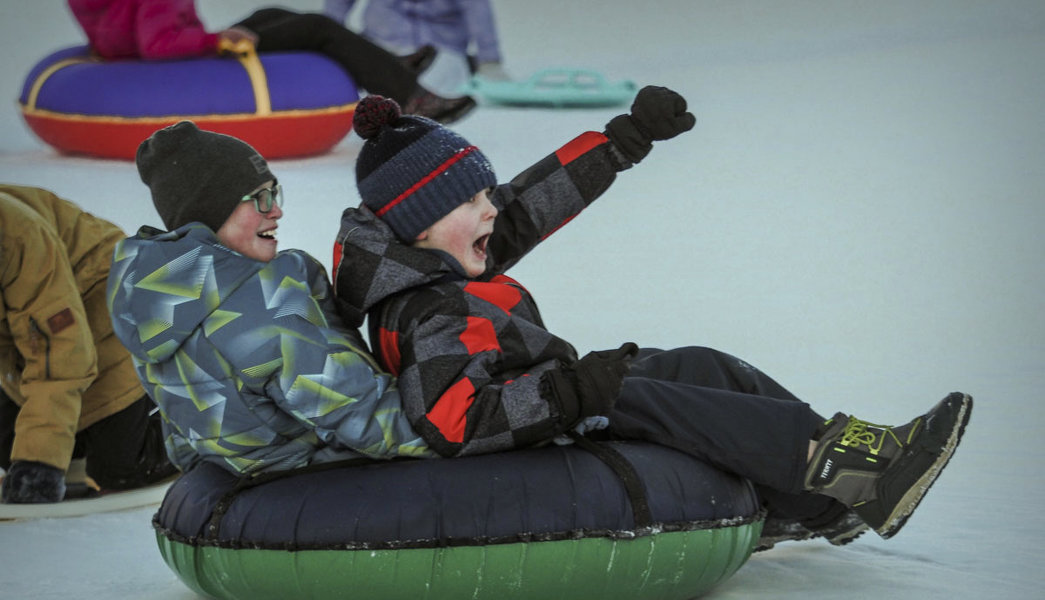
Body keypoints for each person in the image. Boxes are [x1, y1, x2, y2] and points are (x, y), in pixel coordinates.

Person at [331, 91, 973, 549]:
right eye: (473, 200)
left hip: (548, 392)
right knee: (645, 395)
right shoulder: (427, 305)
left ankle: (816, 504)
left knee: (698, 364)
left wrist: (621, 142)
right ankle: (862, 471)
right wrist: (570, 392)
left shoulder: (434, 255)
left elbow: (527, 205)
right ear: (420, 220)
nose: (491, 210)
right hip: (528, 433)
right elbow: (453, 420)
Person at [106, 121, 430, 477]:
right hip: (310, 486)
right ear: (211, 210)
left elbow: (186, 435)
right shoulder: (254, 305)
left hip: (238, 484)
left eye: (275, 194)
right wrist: (470, 430)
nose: (275, 210)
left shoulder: (161, 300)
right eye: (259, 198)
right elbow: (362, 417)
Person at [0, 185, 175, 504]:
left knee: (117, 471)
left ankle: (198, 418)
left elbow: (61, 350)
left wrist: (39, 462)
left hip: (111, 313)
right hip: (27, 344)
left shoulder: (16, 236)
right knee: (11, 449)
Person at [67, 0, 475, 124]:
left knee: (268, 15)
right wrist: (215, 39)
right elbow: (158, 44)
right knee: (318, 28)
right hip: (188, 61)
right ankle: (412, 94)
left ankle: (389, 65)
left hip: (160, 53)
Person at [324, 0, 509, 92]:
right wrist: (328, 43)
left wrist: (489, 61)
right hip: (379, 44)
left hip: (439, 50)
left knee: (433, 87)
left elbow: (478, 11)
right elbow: (337, 5)